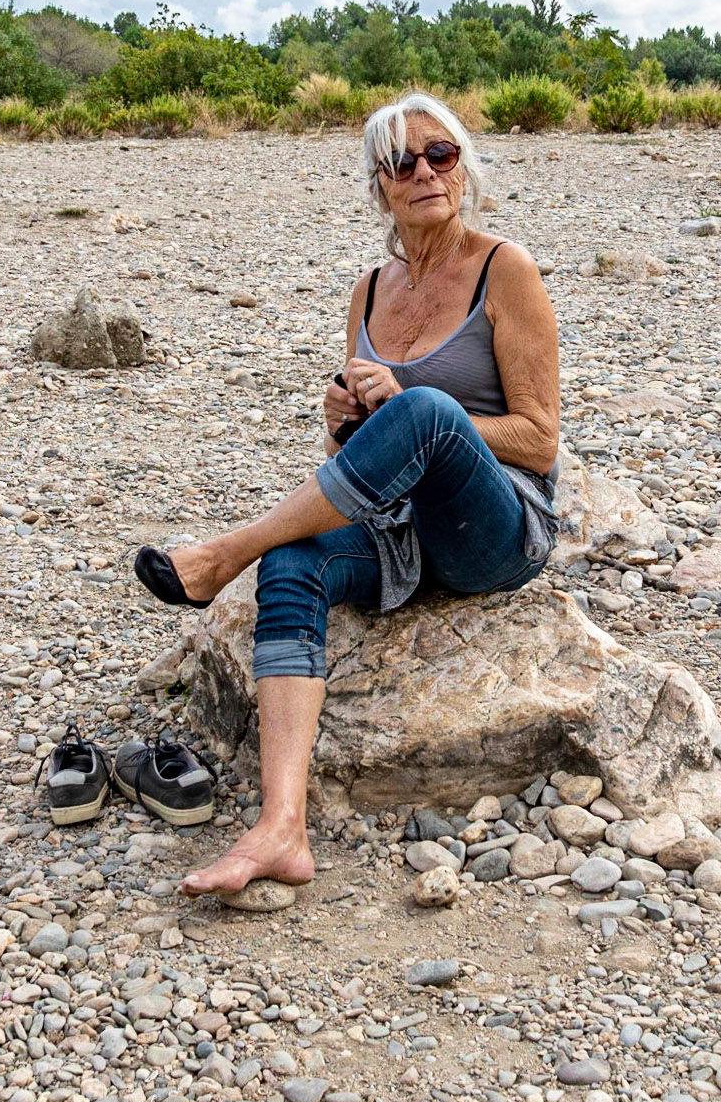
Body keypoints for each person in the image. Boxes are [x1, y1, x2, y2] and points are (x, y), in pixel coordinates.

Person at [133, 91, 562, 896]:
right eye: (402, 161)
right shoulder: (368, 289)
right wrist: (344, 421)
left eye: (440, 154)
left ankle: (225, 552)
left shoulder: (505, 269)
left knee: (426, 411)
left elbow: (538, 438)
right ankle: (281, 827)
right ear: (379, 186)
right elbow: (354, 459)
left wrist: (412, 408)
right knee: (293, 560)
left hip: (495, 526)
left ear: (463, 167)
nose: (424, 171)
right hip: (401, 530)